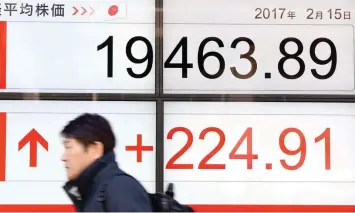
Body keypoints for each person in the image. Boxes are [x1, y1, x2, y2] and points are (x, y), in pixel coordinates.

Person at [60, 113, 153, 212]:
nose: (63, 157)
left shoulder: (119, 187)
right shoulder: (94, 191)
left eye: (68, 147)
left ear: (94, 149)